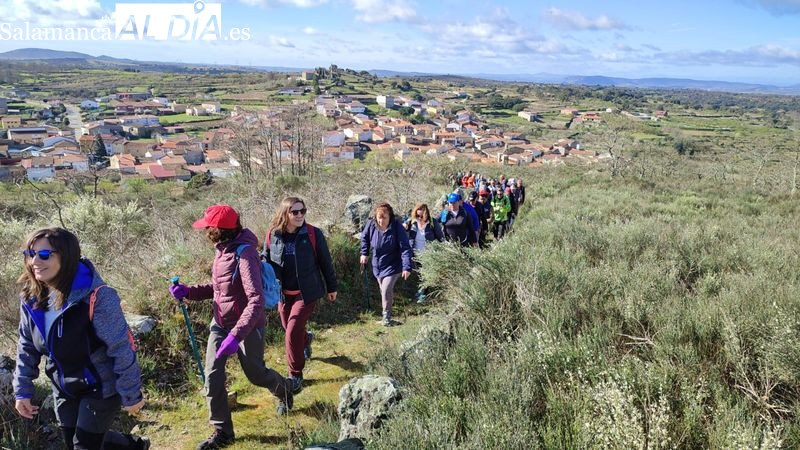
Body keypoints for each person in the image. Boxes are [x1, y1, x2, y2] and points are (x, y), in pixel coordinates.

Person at [169, 204, 293, 450]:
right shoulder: (222, 250)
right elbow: (219, 290)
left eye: (208, 228)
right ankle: (222, 431)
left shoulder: (245, 253)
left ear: (219, 230)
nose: (206, 232)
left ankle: (286, 390)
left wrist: (236, 336)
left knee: (256, 374)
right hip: (221, 324)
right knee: (213, 376)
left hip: (246, 326)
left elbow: (256, 300)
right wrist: (189, 291)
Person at [13, 227, 149, 450]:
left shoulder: (97, 296)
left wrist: (131, 393)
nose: (35, 261)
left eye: (45, 254)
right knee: (77, 440)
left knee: (84, 446)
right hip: (64, 386)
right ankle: (133, 446)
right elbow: (27, 346)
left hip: (100, 386)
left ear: (66, 257)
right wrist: (23, 390)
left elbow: (121, 347)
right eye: (30, 253)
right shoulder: (31, 298)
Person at [262, 197, 338, 395]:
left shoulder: (313, 233)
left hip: (307, 292)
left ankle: (295, 374)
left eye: (302, 211)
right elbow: (266, 260)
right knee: (290, 328)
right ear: (285, 213)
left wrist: (332, 287)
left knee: (292, 330)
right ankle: (306, 340)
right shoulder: (273, 235)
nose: (299, 215)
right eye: (294, 212)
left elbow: (325, 262)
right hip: (283, 294)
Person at [360, 202, 413, 326]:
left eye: (384, 217)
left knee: (386, 289)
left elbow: (405, 247)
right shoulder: (371, 225)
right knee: (383, 290)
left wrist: (406, 266)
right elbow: (364, 238)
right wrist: (364, 253)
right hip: (378, 265)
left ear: (390, 217)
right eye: (379, 217)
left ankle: (387, 318)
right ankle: (387, 315)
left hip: (394, 264)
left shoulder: (396, 227)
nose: (381, 220)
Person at [406, 203, 443, 303]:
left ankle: (424, 294)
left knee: (426, 274)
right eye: (417, 211)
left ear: (425, 211)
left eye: (420, 211)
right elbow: (405, 227)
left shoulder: (432, 222)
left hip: (429, 253)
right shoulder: (413, 222)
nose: (418, 213)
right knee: (420, 274)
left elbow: (440, 236)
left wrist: (444, 247)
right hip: (416, 253)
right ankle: (422, 290)